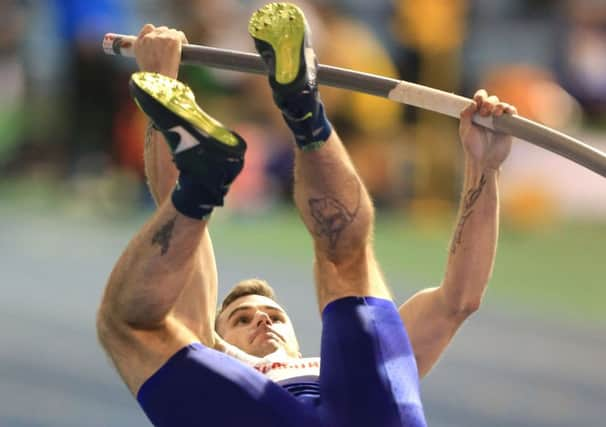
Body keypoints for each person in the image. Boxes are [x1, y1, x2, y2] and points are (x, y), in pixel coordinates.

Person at [96, 3, 517, 427]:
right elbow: (172, 212)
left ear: (299, 341)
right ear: (218, 337)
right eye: (241, 320)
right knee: (341, 266)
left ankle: (300, 110)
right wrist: (160, 83)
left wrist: (483, 164)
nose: (262, 318)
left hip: (352, 407)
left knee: (343, 264)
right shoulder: (212, 353)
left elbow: (458, 299)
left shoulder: (335, 366)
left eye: (274, 316)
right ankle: (298, 112)